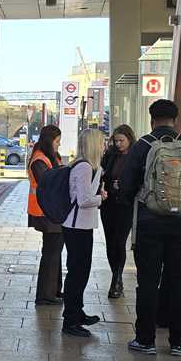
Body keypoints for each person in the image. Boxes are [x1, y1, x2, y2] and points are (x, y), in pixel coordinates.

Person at [119, 99, 181, 356]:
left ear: (151, 120)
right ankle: (179, 341)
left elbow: (126, 185)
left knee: (147, 281)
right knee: (180, 279)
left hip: (149, 223)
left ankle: (145, 339)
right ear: (176, 120)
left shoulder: (143, 145)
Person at [61, 128, 107, 337]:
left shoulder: (87, 166)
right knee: (77, 274)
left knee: (81, 272)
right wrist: (101, 198)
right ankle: (70, 320)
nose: (104, 146)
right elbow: (84, 200)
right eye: (102, 142)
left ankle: (77, 313)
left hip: (82, 225)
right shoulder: (84, 167)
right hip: (76, 226)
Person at [28, 125, 64, 306]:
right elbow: (48, 183)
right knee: (51, 253)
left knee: (55, 251)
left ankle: (54, 290)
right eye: (57, 141)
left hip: (52, 211)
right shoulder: (39, 160)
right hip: (46, 212)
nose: (59, 144)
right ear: (49, 141)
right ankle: (45, 295)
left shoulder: (50, 157)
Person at [100, 124, 136, 299]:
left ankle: (117, 279)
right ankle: (116, 275)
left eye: (122, 140)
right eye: (116, 141)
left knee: (119, 242)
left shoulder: (136, 156)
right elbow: (101, 174)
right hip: (108, 204)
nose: (118, 144)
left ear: (130, 139)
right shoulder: (110, 155)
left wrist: (124, 185)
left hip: (125, 205)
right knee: (110, 242)